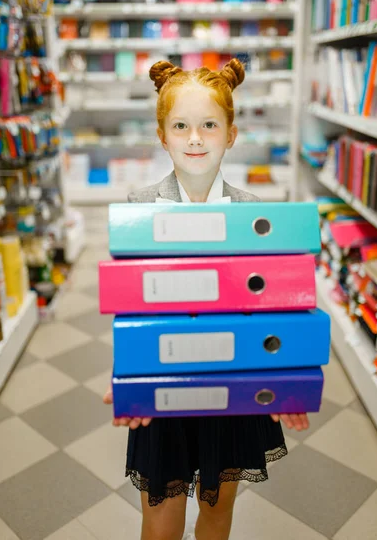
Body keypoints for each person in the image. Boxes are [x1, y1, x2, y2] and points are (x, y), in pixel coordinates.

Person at [103, 58, 309, 540]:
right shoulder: (139, 212)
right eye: (181, 126)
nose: (195, 138)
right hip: (162, 385)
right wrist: (125, 378)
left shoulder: (255, 216)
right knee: (160, 516)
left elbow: (267, 309)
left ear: (231, 134)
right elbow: (132, 307)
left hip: (232, 390)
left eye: (209, 125)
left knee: (217, 513)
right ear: (162, 135)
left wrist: (283, 378)